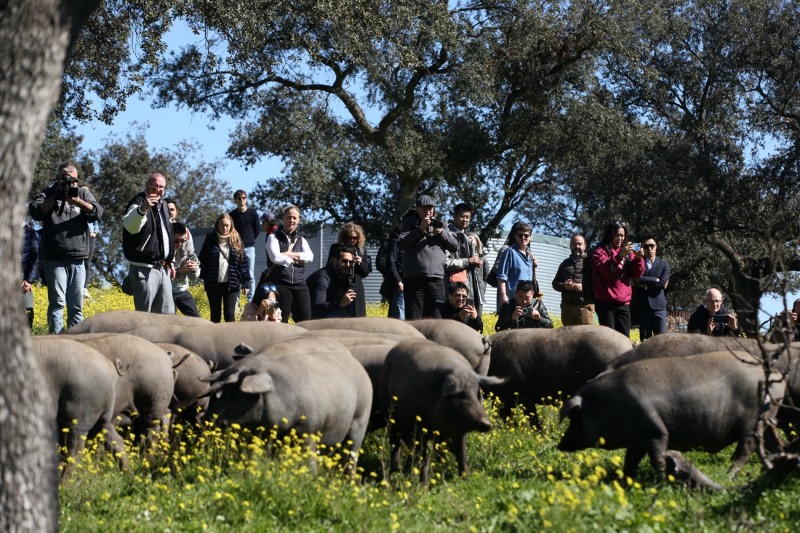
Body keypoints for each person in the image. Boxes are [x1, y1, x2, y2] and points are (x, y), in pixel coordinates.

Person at [29, 164, 104, 333]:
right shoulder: (49, 192)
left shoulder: (82, 193)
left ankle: (76, 340)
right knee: (57, 303)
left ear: (77, 179)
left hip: (78, 257)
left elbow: (98, 212)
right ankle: (56, 340)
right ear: (58, 177)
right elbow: (35, 211)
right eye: (64, 178)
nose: (68, 182)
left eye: (72, 179)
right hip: (54, 257)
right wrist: (55, 197)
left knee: (76, 306)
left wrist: (77, 201)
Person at [397, 195, 458, 319]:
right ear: (417, 209)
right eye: (425, 208)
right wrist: (420, 229)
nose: (428, 211)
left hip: (437, 279)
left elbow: (455, 246)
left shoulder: (441, 224)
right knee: (414, 318)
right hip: (414, 279)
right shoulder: (408, 223)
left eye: (430, 208)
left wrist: (441, 233)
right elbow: (401, 244)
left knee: (437, 317)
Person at [123, 172, 175, 314]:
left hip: (163, 268)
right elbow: (131, 227)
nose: (159, 190)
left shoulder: (164, 205)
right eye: (155, 186)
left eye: (162, 187)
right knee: (144, 314)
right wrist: (143, 209)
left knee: (168, 313)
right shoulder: (138, 202)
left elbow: (166, 236)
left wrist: (170, 262)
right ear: (147, 185)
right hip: (144, 268)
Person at [590, 221, 645, 337]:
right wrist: (620, 256)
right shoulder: (599, 251)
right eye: (616, 235)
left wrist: (638, 259)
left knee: (624, 337)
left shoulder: (628, 251)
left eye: (622, 235)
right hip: (605, 303)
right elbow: (605, 269)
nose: (619, 238)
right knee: (608, 339)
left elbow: (637, 275)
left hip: (623, 303)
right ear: (609, 234)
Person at [198, 213, 251, 323]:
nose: (225, 228)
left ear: (231, 226)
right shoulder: (210, 239)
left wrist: (246, 282)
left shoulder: (236, 240)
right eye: (222, 225)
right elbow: (202, 259)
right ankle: (214, 339)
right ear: (217, 226)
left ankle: (231, 339)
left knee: (229, 315)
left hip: (231, 284)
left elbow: (243, 263)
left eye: (227, 225)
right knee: (215, 315)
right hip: (213, 284)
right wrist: (205, 275)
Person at [265, 204, 313, 323]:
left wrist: (288, 254)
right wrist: (298, 258)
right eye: (288, 217)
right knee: (281, 320)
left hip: (300, 283)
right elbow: (275, 257)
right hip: (281, 284)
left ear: (298, 220)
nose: (291, 220)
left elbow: (310, 257)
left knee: (305, 321)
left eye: (294, 218)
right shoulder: (273, 237)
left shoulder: (302, 240)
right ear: (283, 218)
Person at [445, 203, 486, 317]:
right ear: (454, 215)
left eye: (468, 217)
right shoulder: (447, 234)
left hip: (469, 290)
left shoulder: (467, 237)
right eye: (462, 216)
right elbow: (445, 262)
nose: (465, 220)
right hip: (454, 291)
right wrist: (468, 261)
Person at [327, 222, 371, 318]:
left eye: (354, 238)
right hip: (340, 285)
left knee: (358, 315)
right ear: (344, 237)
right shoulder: (336, 248)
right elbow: (330, 267)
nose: (352, 240)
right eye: (349, 237)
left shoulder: (361, 250)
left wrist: (360, 262)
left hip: (356, 285)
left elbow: (366, 272)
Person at [631, 235, 670, 340]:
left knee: (662, 341)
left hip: (659, 308)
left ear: (656, 246)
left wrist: (644, 283)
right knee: (645, 341)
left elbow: (662, 283)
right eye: (646, 246)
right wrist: (654, 280)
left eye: (652, 245)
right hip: (643, 308)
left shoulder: (664, 264)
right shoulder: (638, 263)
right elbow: (636, 278)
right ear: (642, 248)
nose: (649, 249)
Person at [551, 233, 594, 326]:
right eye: (574, 244)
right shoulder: (564, 264)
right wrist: (564, 286)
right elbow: (555, 284)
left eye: (580, 244)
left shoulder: (591, 263)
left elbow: (598, 285)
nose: (577, 246)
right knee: (568, 338)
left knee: (584, 337)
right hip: (567, 308)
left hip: (584, 307)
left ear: (585, 246)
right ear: (571, 245)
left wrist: (583, 287)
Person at [308, 246, 362, 318]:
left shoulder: (341, 274)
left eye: (351, 262)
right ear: (335, 260)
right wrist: (340, 303)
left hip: (330, 312)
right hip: (315, 316)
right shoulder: (322, 278)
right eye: (344, 261)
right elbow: (318, 305)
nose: (348, 265)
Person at [229, 190, 260, 302]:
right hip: (236, 247)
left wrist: (249, 240)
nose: (241, 200)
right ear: (235, 200)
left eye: (243, 197)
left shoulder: (253, 213)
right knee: (235, 274)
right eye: (239, 198)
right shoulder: (231, 215)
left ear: (246, 198)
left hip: (250, 247)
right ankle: (235, 302)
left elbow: (256, 230)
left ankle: (250, 301)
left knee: (250, 273)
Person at [496, 222, 538, 306]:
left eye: (526, 235)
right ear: (515, 236)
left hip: (526, 299)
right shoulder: (509, 252)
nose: (523, 237)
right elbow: (502, 276)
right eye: (520, 235)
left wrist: (534, 266)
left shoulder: (529, 254)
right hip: (512, 298)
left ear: (530, 237)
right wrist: (503, 295)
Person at [171, 222, 201, 318]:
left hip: (181, 288)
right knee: (168, 320)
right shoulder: (162, 249)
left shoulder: (187, 246)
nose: (179, 244)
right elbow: (161, 273)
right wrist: (180, 271)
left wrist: (194, 269)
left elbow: (193, 277)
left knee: (197, 319)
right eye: (176, 241)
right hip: (165, 290)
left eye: (182, 240)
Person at [378, 223, 405, 319]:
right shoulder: (391, 243)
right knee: (397, 312)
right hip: (395, 283)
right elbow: (381, 262)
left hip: (402, 281)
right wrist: (394, 276)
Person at [21, 218, 41, 330]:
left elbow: (36, 257)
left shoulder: (30, 232)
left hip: (24, 280)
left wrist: (29, 280)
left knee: (28, 311)